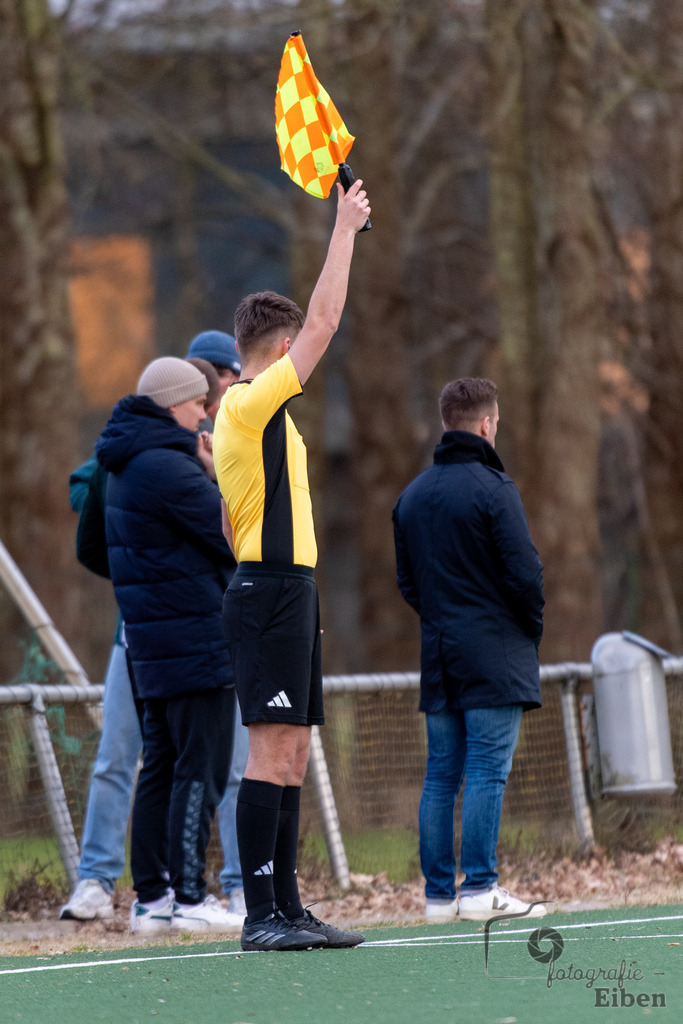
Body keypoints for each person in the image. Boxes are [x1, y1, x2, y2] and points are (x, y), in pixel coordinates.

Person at [213, 178, 370, 952]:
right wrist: (342, 228)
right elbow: (329, 318)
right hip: (269, 592)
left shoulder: (257, 421)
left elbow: (225, 516)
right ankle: (258, 916)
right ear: (278, 352)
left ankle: (288, 907)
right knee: (270, 752)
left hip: (287, 590)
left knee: (296, 752)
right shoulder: (246, 404)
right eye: (294, 348)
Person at [59, 368, 244, 923]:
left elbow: (98, 549)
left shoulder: (124, 464)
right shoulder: (168, 465)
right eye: (197, 404)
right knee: (200, 766)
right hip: (193, 639)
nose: (205, 415)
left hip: (148, 641)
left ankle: (153, 897)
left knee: (161, 764)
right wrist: (217, 474)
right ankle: (189, 896)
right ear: (170, 406)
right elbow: (232, 534)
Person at [392, 378, 548, 922]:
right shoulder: (494, 489)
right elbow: (525, 574)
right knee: (486, 770)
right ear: (487, 424)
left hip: (440, 653)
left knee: (441, 774)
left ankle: (439, 898)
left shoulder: (410, 497)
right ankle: (480, 890)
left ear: (445, 423)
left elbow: (408, 584)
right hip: (493, 651)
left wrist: (445, 619)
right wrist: (527, 628)